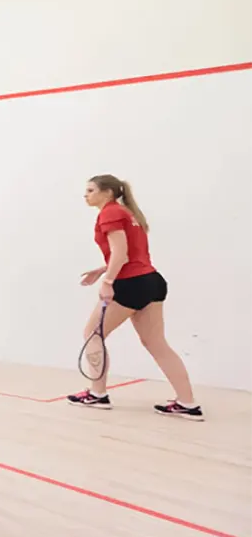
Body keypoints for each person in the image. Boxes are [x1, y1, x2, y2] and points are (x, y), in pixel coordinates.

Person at [66, 174, 203, 420]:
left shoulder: (109, 213)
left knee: (93, 334)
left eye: (90, 190)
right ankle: (188, 403)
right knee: (157, 344)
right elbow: (130, 255)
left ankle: (97, 395)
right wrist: (102, 270)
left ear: (107, 193)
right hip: (151, 282)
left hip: (129, 284)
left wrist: (108, 282)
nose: (85, 195)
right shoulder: (128, 213)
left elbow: (122, 254)